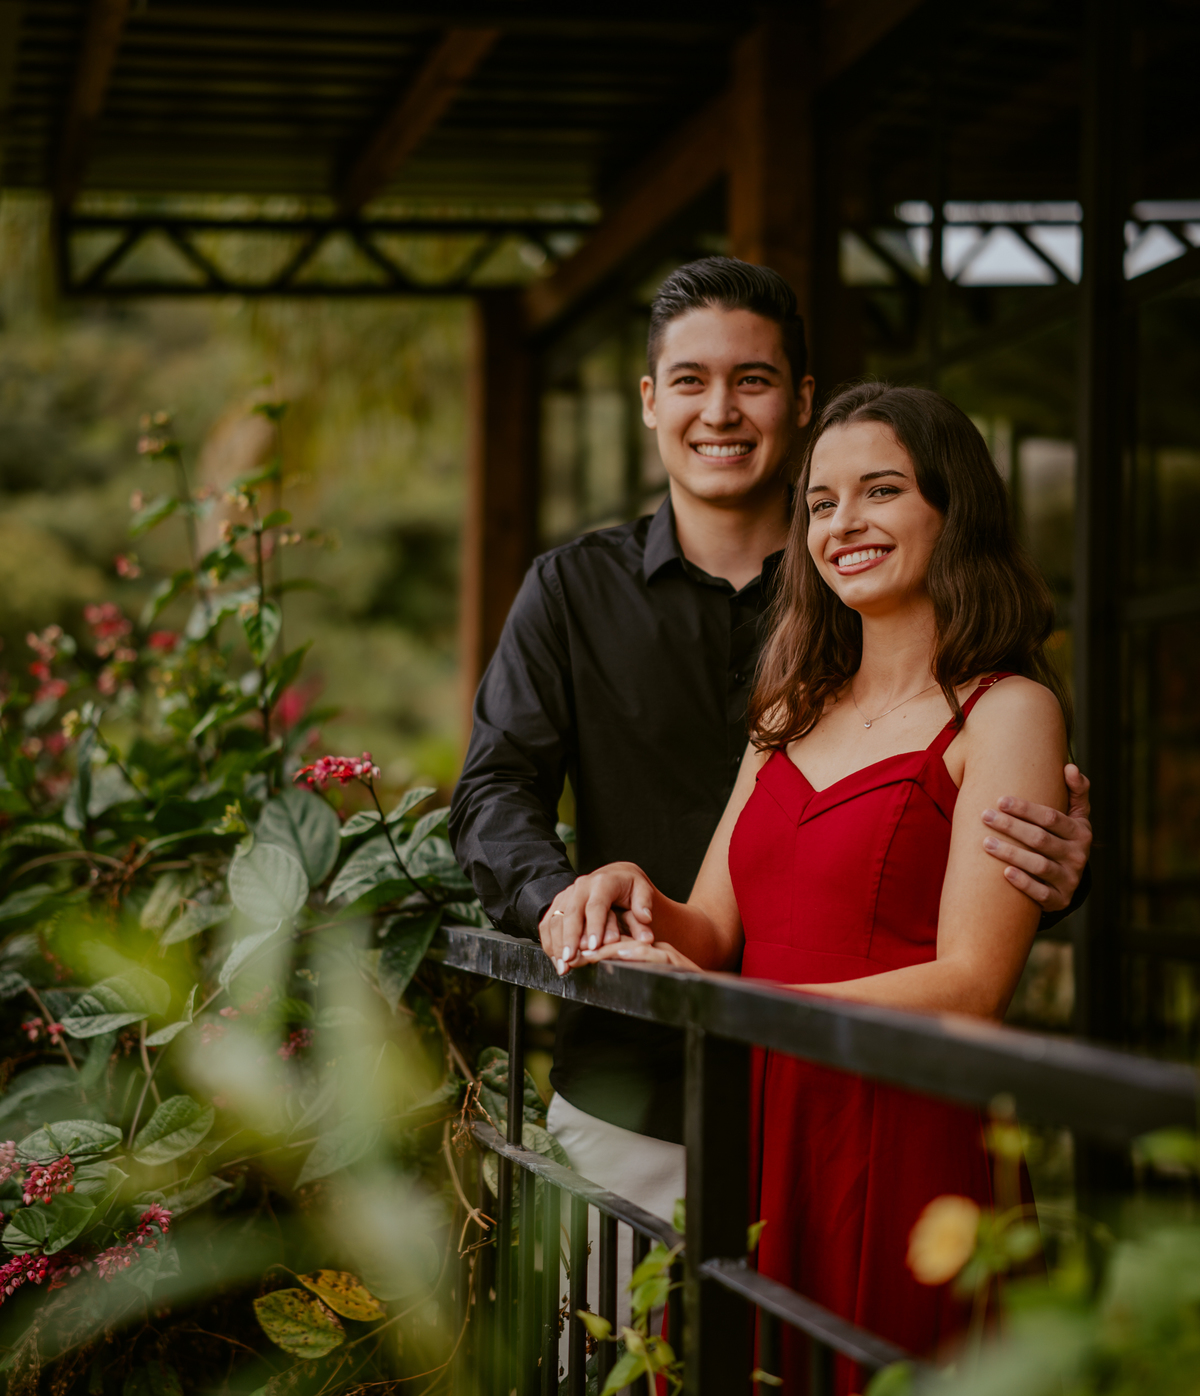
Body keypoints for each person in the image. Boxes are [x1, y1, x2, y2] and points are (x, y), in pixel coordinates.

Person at [450, 257, 1092, 1230]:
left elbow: (953, 888)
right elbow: (495, 790)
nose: (720, 411)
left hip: (853, 1094)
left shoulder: (879, 618)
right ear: (650, 402)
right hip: (637, 1077)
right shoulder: (574, 592)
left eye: (751, 381)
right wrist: (576, 905)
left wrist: (1056, 864)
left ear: (798, 401)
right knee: (631, 1378)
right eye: (690, 382)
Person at [548, 380, 1074, 1396]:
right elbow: (712, 928)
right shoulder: (789, 708)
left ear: (951, 510)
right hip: (763, 1121)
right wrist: (628, 888)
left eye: (881, 491)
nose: (845, 526)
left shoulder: (1007, 710)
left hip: (911, 1133)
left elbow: (976, 982)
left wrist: (739, 1014)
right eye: (823, 504)